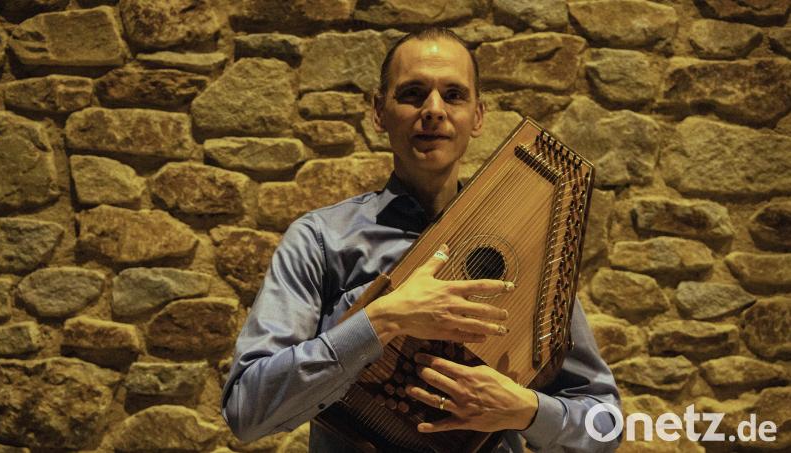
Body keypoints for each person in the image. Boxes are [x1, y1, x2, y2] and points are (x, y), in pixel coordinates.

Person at [222, 28, 621, 453]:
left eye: (453, 95)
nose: (433, 110)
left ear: (478, 117)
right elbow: (247, 410)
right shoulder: (321, 240)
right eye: (413, 93)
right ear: (379, 112)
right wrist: (381, 320)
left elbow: (606, 426)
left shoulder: (533, 252)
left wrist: (525, 410)